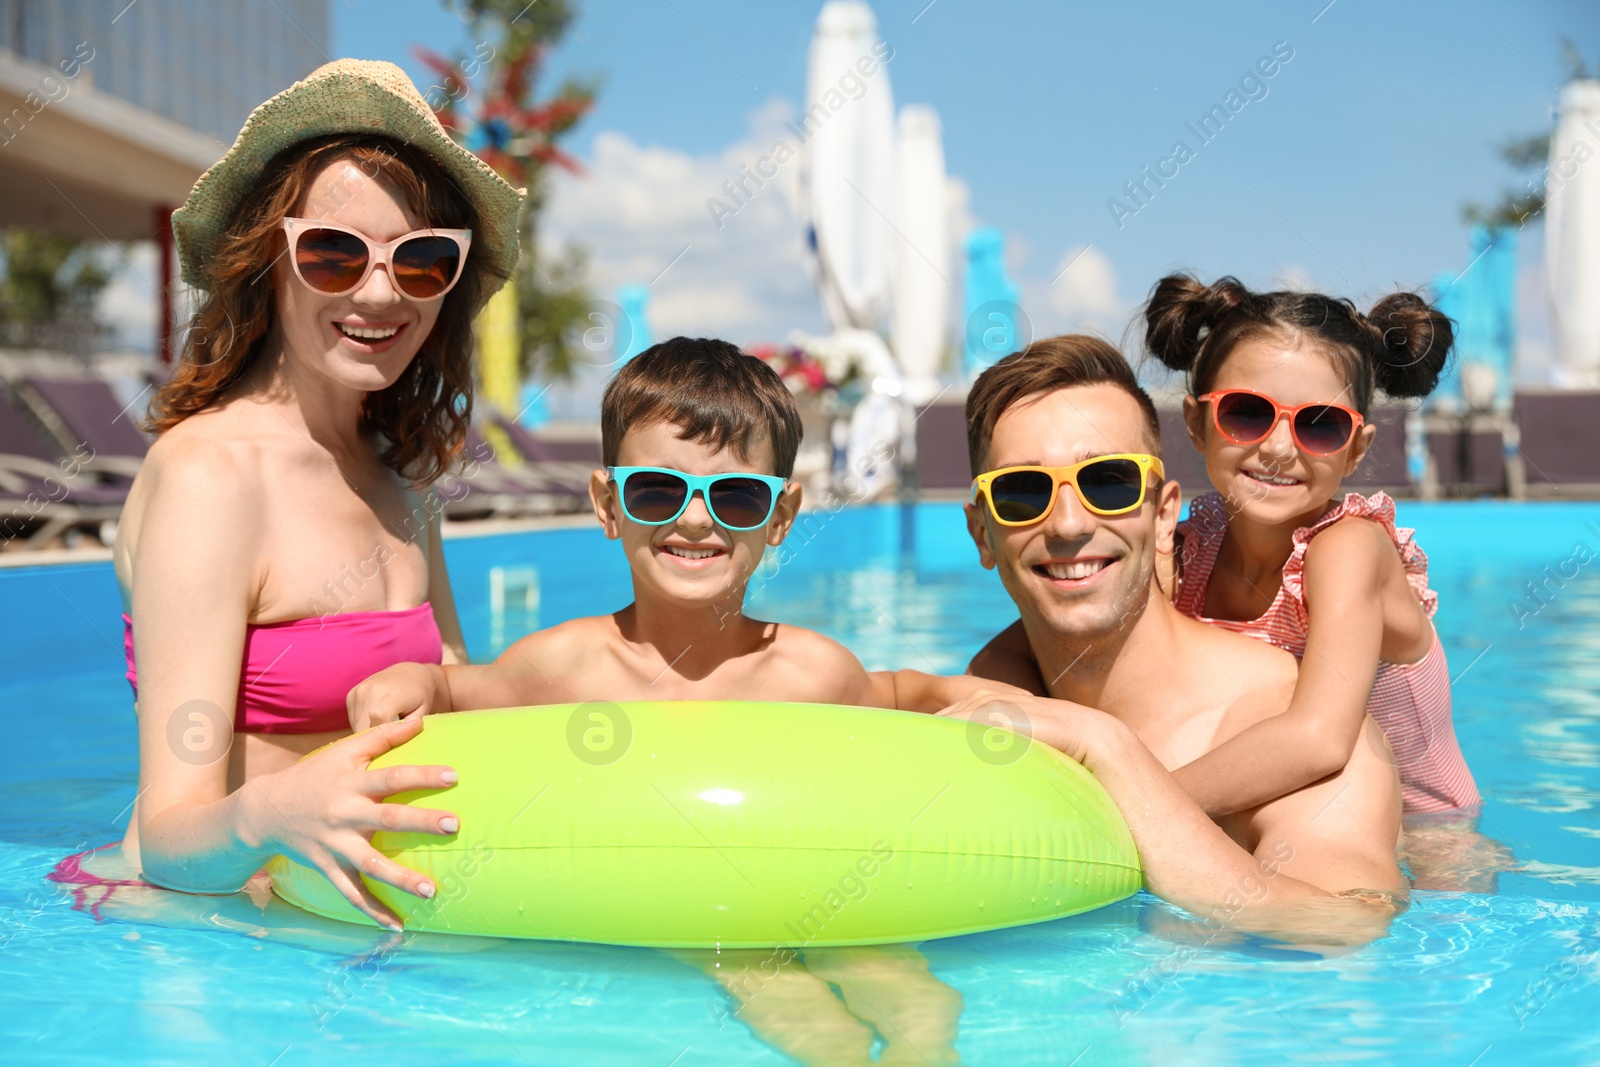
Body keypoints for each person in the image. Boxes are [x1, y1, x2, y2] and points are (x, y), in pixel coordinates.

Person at [52, 60, 524, 932]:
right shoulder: (212, 478)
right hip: (212, 926)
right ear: (268, 260)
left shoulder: (402, 472)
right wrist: (275, 810)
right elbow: (168, 836)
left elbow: (458, 696)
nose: (379, 292)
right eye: (335, 254)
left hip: (355, 918)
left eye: (420, 261)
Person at [955, 335, 1407, 929]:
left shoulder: (1287, 732)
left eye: (1108, 482)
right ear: (983, 534)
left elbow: (1343, 926)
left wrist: (1111, 751)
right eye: (1022, 493)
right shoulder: (999, 693)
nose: (1068, 525)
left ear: (1165, 514)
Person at [347, 336, 991, 719]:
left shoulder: (813, 676)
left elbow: (907, 693)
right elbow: (458, 694)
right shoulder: (560, 667)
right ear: (607, 504)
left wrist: (1009, 705)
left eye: (737, 497)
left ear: (781, 518)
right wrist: (418, 680)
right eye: (656, 491)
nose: (693, 519)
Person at [1142, 273, 1479, 818]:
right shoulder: (1188, 554)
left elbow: (1318, 739)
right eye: (1246, 413)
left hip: (1434, 852)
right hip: (1271, 820)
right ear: (1196, 423)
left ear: (1354, 451)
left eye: (1319, 426)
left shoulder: (1350, 549)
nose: (1277, 448)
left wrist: (1127, 812)